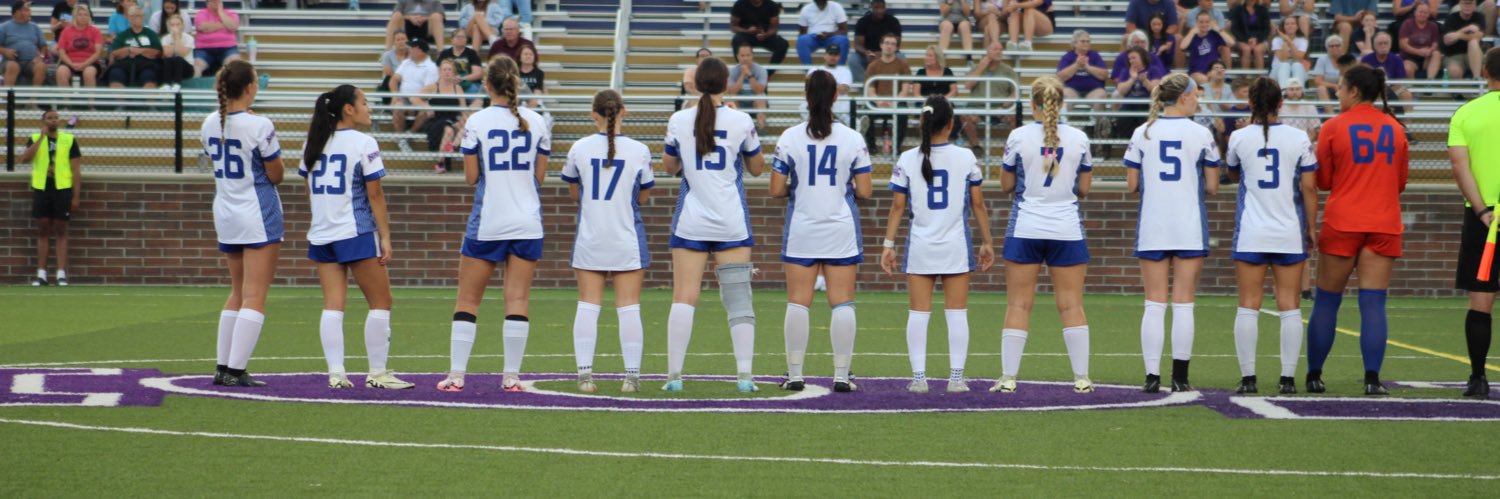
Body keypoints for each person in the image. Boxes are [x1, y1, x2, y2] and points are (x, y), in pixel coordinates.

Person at [439, 55, 553, 393]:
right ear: (516, 81)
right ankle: (512, 377)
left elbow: (471, 178)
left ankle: (457, 375)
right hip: (527, 221)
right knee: (517, 300)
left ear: (487, 84)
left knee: (468, 300)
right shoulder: (537, 120)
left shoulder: (477, 121)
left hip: (489, 220)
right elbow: (540, 179)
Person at [660, 57, 767, 393]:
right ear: (725, 83)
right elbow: (757, 168)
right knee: (738, 299)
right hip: (731, 222)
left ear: (697, 83)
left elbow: (669, 167)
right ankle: (745, 377)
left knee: (684, 297)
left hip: (692, 221)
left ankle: (674, 376)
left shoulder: (679, 119)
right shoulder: (741, 119)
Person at [298, 85, 414, 391]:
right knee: (381, 301)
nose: (369, 108)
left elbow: (308, 189)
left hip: (322, 232)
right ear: (348, 109)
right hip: (355, 231)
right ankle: (377, 372)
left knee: (333, 305)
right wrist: (385, 236)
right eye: (364, 102)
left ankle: (336, 374)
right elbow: (375, 194)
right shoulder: (364, 142)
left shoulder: (313, 141)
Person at [879, 95, 995, 394]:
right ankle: (956, 378)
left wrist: (888, 245)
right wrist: (987, 242)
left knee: (919, 313)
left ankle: (919, 378)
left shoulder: (907, 158)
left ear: (924, 122)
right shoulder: (966, 157)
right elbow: (979, 204)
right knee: (957, 313)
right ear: (951, 123)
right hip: (955, 244)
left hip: (921, 246)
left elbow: (897, 207)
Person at [1307, 65, 1410, 396]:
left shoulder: (1334, 126)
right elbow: (1401, 182)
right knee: (1373, 303)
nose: (1336, 93)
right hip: (1383, 222)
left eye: (1339, 88)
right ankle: (1371, 379)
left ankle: (1314, 375)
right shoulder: (1395, 129)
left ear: (1353, 91)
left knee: (1326, 301)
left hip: (1343, 222)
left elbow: (1322, 181)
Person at [769, 71, 873, 393]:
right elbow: (866, 191)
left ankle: (795, 373)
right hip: (839, 227)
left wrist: (798, 188)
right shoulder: (853, 138)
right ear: (836, 97)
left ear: (806, 95)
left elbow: (775, 189)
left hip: (803, 225)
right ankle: (842, 374)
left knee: (799, 301)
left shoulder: (789, 137)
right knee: (841, 301)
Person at [991, 77, 1094, 394]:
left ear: (1032, 104)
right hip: (1066, 228)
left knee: (1019, 304)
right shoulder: (1079, 138)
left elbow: (1005, 185)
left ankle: (1009, 377)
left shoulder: (1018, 136)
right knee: (1071, 305)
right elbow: (1085, 189)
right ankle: (1082, 378)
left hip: (1026, 227)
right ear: (1061, 103)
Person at [1123, 73, 1222, 393]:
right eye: (1195, 95)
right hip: (1188, 225)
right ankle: (1180, 377)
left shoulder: (1143, 132)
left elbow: (1132, 184)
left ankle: (1152, 376)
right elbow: (1213, 186)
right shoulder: (1201, 133)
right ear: (1183, 97)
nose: (1198, 99)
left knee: (1154, 302)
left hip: (1153, 224)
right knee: (1183, 302)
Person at [1221, 77, 1318, 395]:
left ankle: (1248, 378)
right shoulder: (1298, 137)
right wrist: (1312, 228)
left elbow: (1233, 173)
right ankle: (1287, 379)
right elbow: (1309, 187)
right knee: (1290, 305)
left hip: (1252, 231)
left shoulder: (1238, 136)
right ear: (1281, 103)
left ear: (1251, 103)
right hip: (1288, 231)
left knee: (1248, 304)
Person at [560, 89, 654, 394]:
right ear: (624, 111)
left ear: (593, 115)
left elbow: (575, 193)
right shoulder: (640, 150)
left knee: (588, 305)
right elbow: (643, 196)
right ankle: (631, 378)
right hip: (626, 237)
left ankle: (585, 376)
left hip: (591, 237)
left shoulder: (579, 147)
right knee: (629, 307)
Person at [201, 60, 284, 388]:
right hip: (257, 211)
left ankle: (223, 366)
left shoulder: (209, 122)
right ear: (250, 87)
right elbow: (276, 173)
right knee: (255, 294)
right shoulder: (259, 124)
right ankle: (236, 370)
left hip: (226, 210)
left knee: (237, 291)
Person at [1447, 47, 1500, 399]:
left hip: (1485, 219)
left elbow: (1460, 168)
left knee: (1480, 302)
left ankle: (1478, 378)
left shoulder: (1466, 113)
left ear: (1484, 71)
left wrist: (1482, 211)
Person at [21, 109, 82, 287]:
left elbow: (76, 171)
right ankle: (42, 274)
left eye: (56, 118)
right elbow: (24, 159)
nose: (53, 121)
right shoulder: (34, 138)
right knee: (43, 229)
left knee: (61, 229)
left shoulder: (68, 140)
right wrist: (41, 138)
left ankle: (61, 273)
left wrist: (76, 196)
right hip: (42, 187)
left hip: (62, 188)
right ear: (43, 121)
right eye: (49, 118)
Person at [959, 41, 1020, 143]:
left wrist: (1008, 103)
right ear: (987, 52)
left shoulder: (1008, 70)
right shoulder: (976, 67)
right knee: (965, 117)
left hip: (1000, 108)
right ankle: (976, 145)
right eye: (995, 49)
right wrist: (981, 67)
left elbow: (1016, 91)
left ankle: (1013, 146)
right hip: (977, 107)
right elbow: (967, 85)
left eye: (1000, 50)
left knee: (1015, 118)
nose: (998, 52)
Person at [421, 59, 472, 174]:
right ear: (440, 72)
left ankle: (451, 147)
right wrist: (425, 106)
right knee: (448, 130)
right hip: (436, 121)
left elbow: (463, 109)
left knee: (465, 128)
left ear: (453, 73)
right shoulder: (433, 87)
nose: (447, 72)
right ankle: (441, 162)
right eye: (444, 69)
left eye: (450, 69)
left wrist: (464, 121)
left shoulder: (458, 88)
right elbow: (414, 97)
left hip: (452, 120)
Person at [863, 33, 910, 150]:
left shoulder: (903, 65)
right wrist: (878, 102)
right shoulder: (873, 66)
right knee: (866, 112)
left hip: (896, 102)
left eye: (893, 44)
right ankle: (872, 147)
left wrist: (893, 102)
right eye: (887, 43)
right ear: (881, 45)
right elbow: (871, 90)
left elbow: (905, 90)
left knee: (904, 112)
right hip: (878, 102)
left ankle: (896, 147)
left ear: (896, 48)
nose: (889, 46)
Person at [390, 38, 438, 153]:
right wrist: (395, 95)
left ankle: (409, 134)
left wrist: (414, 101)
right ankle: (402, 137)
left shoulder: (431, 67)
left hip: (421, 99)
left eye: (412, 48)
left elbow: (427, 91)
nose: (409, 49)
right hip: (405, 97)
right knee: (398, 107)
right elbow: (393, 80)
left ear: (420, 51)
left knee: (425, 112)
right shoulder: (406, 62)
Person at [106, 6, 161, 90]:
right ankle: (121, 103)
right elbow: (115, 53)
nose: (137, 18)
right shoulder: (122, 35)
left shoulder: (151, 34)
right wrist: (129, 49)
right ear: (129, 18)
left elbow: (157, 53)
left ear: (143, 17)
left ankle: (149, 103)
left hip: (147, 65)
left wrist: (140, 51)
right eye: (134, 16)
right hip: (124, 64)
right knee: (115, 75)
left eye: (140, 16)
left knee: (150, 77)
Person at [851, 0, 901, 83]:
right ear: (871, 8)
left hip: (888, 53)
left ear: (885, 8)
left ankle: (893, 88)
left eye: (882, 8)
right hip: (868, 55)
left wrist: (883, 53)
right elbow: (857, 45)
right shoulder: (862, 22)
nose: (879, 10)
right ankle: (865, 88)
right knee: (853, 60)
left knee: (901, 56)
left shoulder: (893, 22)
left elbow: (897, 45)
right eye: (876, 8)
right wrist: (866, 53)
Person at [56, 4, 103, 90]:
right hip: (69, 62)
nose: (83, 17)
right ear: (75, 16)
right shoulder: (66, 31)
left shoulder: (95, 31)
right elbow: (61, 52)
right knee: (61, 72)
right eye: (80, 14)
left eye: (85, 14)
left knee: (89, 73)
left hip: (90, 63)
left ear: (89, 16)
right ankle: (66, 102)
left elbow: (98, 52)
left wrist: (84, 64)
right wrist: (71, 64)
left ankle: (90, 103)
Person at [730, 0, 789, 68]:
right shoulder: (740, 4)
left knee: (783, 44)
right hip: (746, 35)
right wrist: (747, 31)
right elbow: (733, 27)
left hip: (766, 36)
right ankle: (745, 71)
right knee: (736, 40)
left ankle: (768, 74)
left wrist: (766, 34)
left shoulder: (772, 5)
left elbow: (774, 28)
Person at [1361, 32, 1417, 103]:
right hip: (1372, 90)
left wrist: (1388, 91)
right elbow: (1363, 81)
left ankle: (1409, 114)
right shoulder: (1366, 60)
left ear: (1390, 45)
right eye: (1380, 43)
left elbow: (1400, 81)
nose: (1383, 46)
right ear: (1374, 46)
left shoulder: (1397, 60)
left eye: (1386, 43)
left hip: (1393, 89)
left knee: (1406, 95)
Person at [1, 1, 48, 87]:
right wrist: (5, 51)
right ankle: (7, 97)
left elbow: (43, 46)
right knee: (13, 66)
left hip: (31, 62)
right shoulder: (4, 27)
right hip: (11, 61)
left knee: (41, 66)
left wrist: (41, 57)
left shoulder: (35, 27)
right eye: (27, 10)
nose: (30, 13)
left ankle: (34, 98)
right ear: (18, 12)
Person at [806, 44, 854, 125]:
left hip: (838, 100)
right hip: (818, 99)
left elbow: (844, 89)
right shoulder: (814, 69)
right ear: (825, 55)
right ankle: (807, 126)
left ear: (839, 57)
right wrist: (833, 87)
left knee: (845, 103)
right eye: (830, 54)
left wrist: (821, 86)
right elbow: (809, 88)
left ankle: (858, 127)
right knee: (803, 106)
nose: (832, 57)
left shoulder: (845, 71)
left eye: (835, 54)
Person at [1056, 30, 1107, 104]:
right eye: (1083, 41)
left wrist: (1087, 67)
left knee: (1101, 95)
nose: (1086, 43)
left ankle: (1095, 116)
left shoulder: (1095, 56)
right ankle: (1065, 116)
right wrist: (1076, 65)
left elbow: (1104, 75)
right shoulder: (1068, 57)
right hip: (1072, 90)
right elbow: (1061, 76)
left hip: (1094, 90)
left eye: (1088, 41)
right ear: (1075, 44)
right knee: (1064, 93)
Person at [1182, 11, 1233, 83]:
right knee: (1205, 79)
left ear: (1210, 23)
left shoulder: (1213, 35)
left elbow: (1231, 43)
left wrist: (1219, 30)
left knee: (1217, 78)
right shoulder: (1193, 36)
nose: (1204, 24)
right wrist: (1192, 32)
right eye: (1201, 22)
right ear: (1196, 23)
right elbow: (1182, 47)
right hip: (1196, 72)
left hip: (1212, 71)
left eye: (1207, 22)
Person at [193, 0, 240, 78]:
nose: (216, 3)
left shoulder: (231, 13)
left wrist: (221, 13)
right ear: (207, 3)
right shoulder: (201, 13)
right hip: (204, 48)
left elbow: (233, 26)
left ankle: (232, 88)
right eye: (213, 1)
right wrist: (223, 25)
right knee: (197, 65)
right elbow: (203, 27)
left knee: (234, 64)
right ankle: (194, 88)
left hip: (227, 48)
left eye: (218, 1)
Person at [728, 44, 770, 131]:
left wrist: (749, 74)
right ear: (738, 57)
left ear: (752, 56)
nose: (745, 58)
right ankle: (736, 131)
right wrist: (743, 75)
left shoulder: (761, 70)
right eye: (742, 55)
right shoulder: (732, 71)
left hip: (755, 102)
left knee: (761, 97)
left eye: (748, 55)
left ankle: (761, 129)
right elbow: (732, 91)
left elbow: (760, 90)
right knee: (731, 99)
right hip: (740, 102)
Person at [1442, 0, 1487, 80]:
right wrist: (1466, 29)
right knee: (1454, 72)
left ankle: (1476, 79)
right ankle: (1462, 92)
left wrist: (1457, 35)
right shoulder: (1451, 18)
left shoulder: (1479, 17)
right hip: (1454, 55)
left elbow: (1478, 36)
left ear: (1475, 5)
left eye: (1470, 4)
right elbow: (1447, 41)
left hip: (1475, 53)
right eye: (1465, 3)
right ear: (1460, 4)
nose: (1467, 6)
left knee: (1473, 43)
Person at [1399, 2, 1443, 79]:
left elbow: (1435, 44)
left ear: (1429, 14)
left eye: (1425, 12)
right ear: (1415, 13)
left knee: (1436, 54)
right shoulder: (1407, 23)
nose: (1422, 14)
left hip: (1426, 57)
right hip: (1410, 57)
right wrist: (1418, 51)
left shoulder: (1433, 26)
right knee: (1407, 69)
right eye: (1420, 12)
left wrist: (1430, 50)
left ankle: (1429, 83)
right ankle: (1411, 90)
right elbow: (1403, 45)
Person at [797, 0, 849, 64]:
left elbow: (844, 31)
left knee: (843, 40)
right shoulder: (806, 9)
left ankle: (839, 71)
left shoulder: (837, 7)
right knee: (802, 40)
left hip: (832, 37)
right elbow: (802, 32)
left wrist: (829, 34)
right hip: (813, 38)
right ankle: (809, 71)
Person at [438, 29, 485, 95]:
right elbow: (438, 71)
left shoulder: (472, 53)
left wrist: (462, 78)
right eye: (458, 37)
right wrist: (451, 79)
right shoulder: (444, 54)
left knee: (474, 89)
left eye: (463, 37)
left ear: (466, 40)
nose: (460, 39)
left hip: (469, 85)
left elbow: (478, 73)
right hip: (448, 83)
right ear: (452, 40)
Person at [1229, 0, 1271, 70]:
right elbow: (1235, 29)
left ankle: (1259, 78)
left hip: (1260, 39)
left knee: (1258, 50)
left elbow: (1266, 29)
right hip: (1242, 39)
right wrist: (1246, 40)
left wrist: (1257, 40)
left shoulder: (1262, 10)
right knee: (1246, 49)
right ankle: (1245, 78)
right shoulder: (1238, 10)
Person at [1270, 15, 1310, 87]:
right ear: (1283, 27)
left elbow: (1297, 59)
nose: (1290, 26)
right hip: (1278, 71)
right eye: (1287, 24)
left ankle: (1300, 94)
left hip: (1297, 71)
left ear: (1297, 27)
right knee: (1285, 65)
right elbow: (1283, 59)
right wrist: (1285, 40)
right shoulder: (1276, 40)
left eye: (1292, 23)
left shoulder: (1303, 41)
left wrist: (1289, 42)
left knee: (1297, 65)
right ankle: (1284, 92)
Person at [159, 14, 194, 89]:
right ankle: (166, 84)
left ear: (182, 25)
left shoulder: (189, 38)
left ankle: (177, 84)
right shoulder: (165, 38)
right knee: (168, 60)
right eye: (172, 25)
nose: (175, 27)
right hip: (171, 66)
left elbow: (181, 53)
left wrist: (177, 37)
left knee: (178, 59)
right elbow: (167, 54)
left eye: (178, 24)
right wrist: (174, 40)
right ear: (168, 27)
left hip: (186, 68)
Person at [1312, 35, 1347, 107]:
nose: (1334, 48)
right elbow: (1318, 81)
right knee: (1321, 88)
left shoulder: (1347, 59)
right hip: (1328, 89)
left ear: (1342, 47)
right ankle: (1330, 115)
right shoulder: (1322, 60)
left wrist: (1340, 86)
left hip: (1344, 87)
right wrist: (1334, 86)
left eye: (1337, 45)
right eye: (1331, 46)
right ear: (1327, 48)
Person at [377, 31, 410, 107]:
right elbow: (387, 72)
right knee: (391, 79)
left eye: (403, 39)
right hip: (391, 81)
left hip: (407, 81)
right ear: (394, 42)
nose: (401, 42)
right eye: (398, 40)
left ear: (407, 40)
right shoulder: (388, 55)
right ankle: (395, 100)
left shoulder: (412, 54)